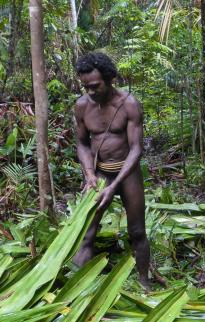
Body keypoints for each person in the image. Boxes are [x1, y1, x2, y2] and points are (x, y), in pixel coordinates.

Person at [73, 52, 151, 289]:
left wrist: (115, 186)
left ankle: (145, 284)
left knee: (137, 231)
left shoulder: (129, 104)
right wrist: (89, 174)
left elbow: (136, 149)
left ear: (109, 79)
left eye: (95, 86)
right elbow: (83, 144)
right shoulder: (82, 106)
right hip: (99, 174)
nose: (90, 91)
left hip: (127, 174)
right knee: (87, 233)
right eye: (86, 87)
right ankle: (76, 286)